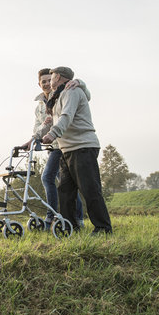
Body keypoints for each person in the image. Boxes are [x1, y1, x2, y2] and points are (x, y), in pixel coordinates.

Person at [41, 66, 112, 234]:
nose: (50, 82)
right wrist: (34, 138)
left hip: (82, 147)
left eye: (51, 78)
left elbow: (67, 116)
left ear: (57, 77)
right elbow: (53, 120)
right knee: (65, 191)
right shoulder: (59, 96)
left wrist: (53, 134)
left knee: (90, 189)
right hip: (67, 150)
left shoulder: (71, 91)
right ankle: (70, 226)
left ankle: (103, 227)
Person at [24, 68, 85, 228]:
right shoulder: (39, 106)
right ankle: (77, 218)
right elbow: (38, 126)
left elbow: (84, 94)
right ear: (39, 84)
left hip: (61, 144)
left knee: (47, 177)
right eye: (42, 81)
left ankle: (51, 216)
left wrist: (80, 82)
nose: (46, 84)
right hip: (51, 147)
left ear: (53, 81)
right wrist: (33, 138)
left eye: (48, 80)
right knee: (65, 183)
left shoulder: (61, 94)